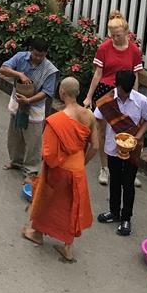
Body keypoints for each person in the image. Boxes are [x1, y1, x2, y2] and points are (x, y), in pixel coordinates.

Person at [23, 76, 98, 262]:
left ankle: (37, 233)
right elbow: (95, 146)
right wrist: (82, 162)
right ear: (78, 92)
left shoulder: (56, 120)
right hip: (77, 168)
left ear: (61, 92)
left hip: (58, 168)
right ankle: (68, 247)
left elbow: (48, 155)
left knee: (46, 198)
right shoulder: (89, 116)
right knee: (71, 205)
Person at [83, 9, 144, 186]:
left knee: (128, 131)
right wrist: (89, 96)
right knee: (102, 131)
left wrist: (136, 97)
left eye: (118, 35)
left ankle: (129, 168)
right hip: (106, 92)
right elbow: (98, 73)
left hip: (126, 92)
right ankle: (105, 168)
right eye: (112, 35)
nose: (114, 38)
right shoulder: (104, 48)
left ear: (126, 32)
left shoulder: (134, 50)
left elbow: (136, 76)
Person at [95, 69, 147, 236]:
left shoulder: (141, 100)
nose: (125, 95)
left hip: (132, 149)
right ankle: (114, 212)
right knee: (115, 180)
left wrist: (137, 137)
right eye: (122, 91)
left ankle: (126, 217)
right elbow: (97, 118)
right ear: (117, 85)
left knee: (128, 184)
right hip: (112, 147)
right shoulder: (107, 100)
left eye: (128, 92)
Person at [0, 38, 59, 177]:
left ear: (46, 54)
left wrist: (29, 100)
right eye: (36, 54)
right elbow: (3, 68)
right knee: (14, 135)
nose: (38, 58)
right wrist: (19, 74)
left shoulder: (50, 70)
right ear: (31, 50)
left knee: (34, 141)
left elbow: (47, 92)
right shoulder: (20, 57)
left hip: (35, 107)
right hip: (17, 101)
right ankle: (16, 161)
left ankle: (31, 170)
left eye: (41, 55)